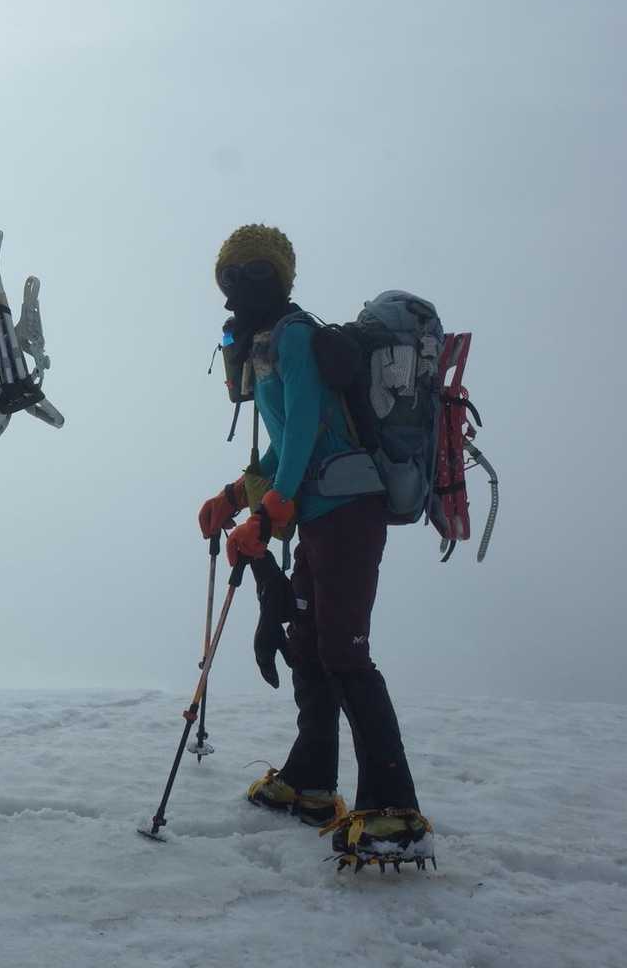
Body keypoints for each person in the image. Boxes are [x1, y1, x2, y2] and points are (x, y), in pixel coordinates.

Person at [196, 223, 434, 865]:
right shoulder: (269, 344)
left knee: (344, 652)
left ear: (276, 278)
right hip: (323, 517)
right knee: (306, 643)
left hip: (350, 512)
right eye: (229, 277)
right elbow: (286, 444)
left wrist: (270, 509)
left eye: (251, 274)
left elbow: (303, 427)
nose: (237, 288)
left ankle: (394, 809)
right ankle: (311, 780)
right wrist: (235, 496)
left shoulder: (295, 335)